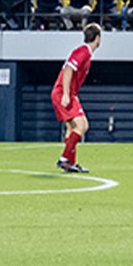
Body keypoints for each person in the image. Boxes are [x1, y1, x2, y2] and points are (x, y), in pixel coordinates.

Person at [53, 23, 102, 173]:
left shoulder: (86, 53)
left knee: (74, 127)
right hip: (63, 92)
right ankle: (64, 158)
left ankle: (70, 162)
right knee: (81, 126)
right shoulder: (83, 51)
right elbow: (68, 69)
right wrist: (67, 94)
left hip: (67, 92)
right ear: (98, 38)